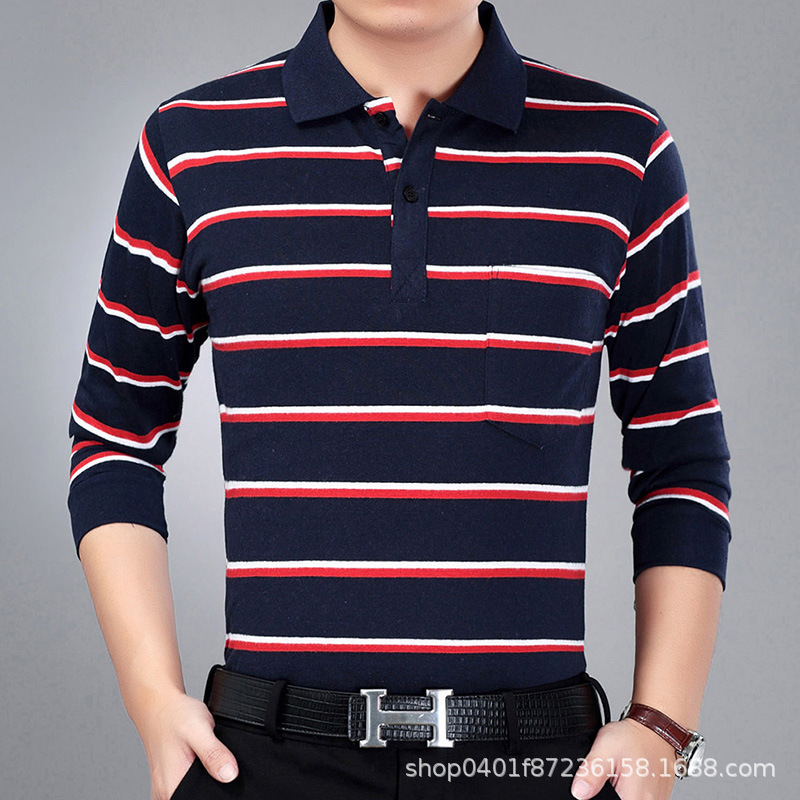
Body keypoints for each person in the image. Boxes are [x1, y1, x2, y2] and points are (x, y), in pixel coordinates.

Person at [67, 1, 732, 798]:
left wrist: (662, 724)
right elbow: (114, 437)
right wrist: (151, 700)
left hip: (536, 764)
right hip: (266, 761)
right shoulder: (190, 145)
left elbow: (680, 457)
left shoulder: (621, 151)